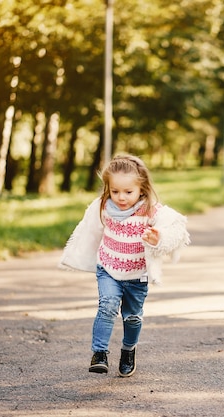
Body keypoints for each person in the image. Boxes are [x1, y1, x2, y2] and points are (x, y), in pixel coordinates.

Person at [59, 154, 190, 377]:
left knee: (132, 316)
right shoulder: (102, 207)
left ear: (142, 188)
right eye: (115, 191)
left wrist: (158, 238)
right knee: (107, 305)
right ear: (107, 189)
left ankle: (128, 350)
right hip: (108, 268)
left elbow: (176, 228)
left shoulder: (150, 210)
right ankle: (99, 353)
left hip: (136, 275)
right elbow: (90, 230)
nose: (121, 198)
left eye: (128, 192)